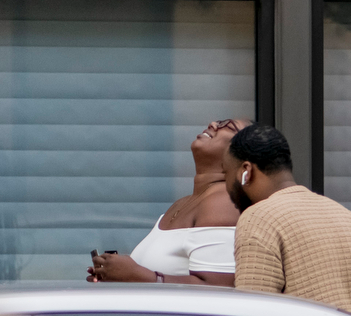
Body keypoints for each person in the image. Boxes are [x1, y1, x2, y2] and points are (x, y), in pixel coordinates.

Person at [225, 124, 351, 316]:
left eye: (226, 174)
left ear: (245, 171)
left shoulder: (258, 218)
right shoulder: (345, 216)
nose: (225, 185)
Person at [87, 118, 250, 286]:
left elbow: (218, 290)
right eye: (218, 121)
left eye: (228, 126)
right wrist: (115, 274)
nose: (213, 124)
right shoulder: (181, 203)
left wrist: (136, 275)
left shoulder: (223, 203)